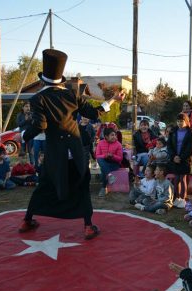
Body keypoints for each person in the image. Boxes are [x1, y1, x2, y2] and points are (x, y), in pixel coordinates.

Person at [17, 49, 125, 239]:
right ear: (60, 79)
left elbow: (40, 125)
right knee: (80, 184)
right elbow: (93, 113)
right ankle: (88, 226)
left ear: (43, 80)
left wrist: (23, 135)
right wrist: (112, 100)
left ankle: (27, 220)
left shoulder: (37, 99)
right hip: (75, 149)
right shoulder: (71, 95)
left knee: (45, 184)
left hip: (55, 151)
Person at [167, 113, 192, 209]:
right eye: (178, 121)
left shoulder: (190, 133)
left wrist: (181, 158)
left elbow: (190, 148)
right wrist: (174, 156)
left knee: (182, 179)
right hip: (175, 159)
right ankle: (176, 197)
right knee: (176, 178)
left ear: (186, 121)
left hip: (185, 160)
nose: (179, 123)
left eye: (181, 121)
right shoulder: (173, 132)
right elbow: (169, 145)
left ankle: (183, 198)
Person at [95, 127, 123, 197]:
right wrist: (105, 156)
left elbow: (120, 158)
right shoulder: (100, 143)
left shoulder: (118, 144)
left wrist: (112, 156)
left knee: (103, 172)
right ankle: (109, 176)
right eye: (112, 135)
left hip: (114, 164)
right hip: (104, 162)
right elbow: (97, 156)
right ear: (106, 136)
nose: (114, 137)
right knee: (100, 160)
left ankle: (103, 188)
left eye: (115, 135)